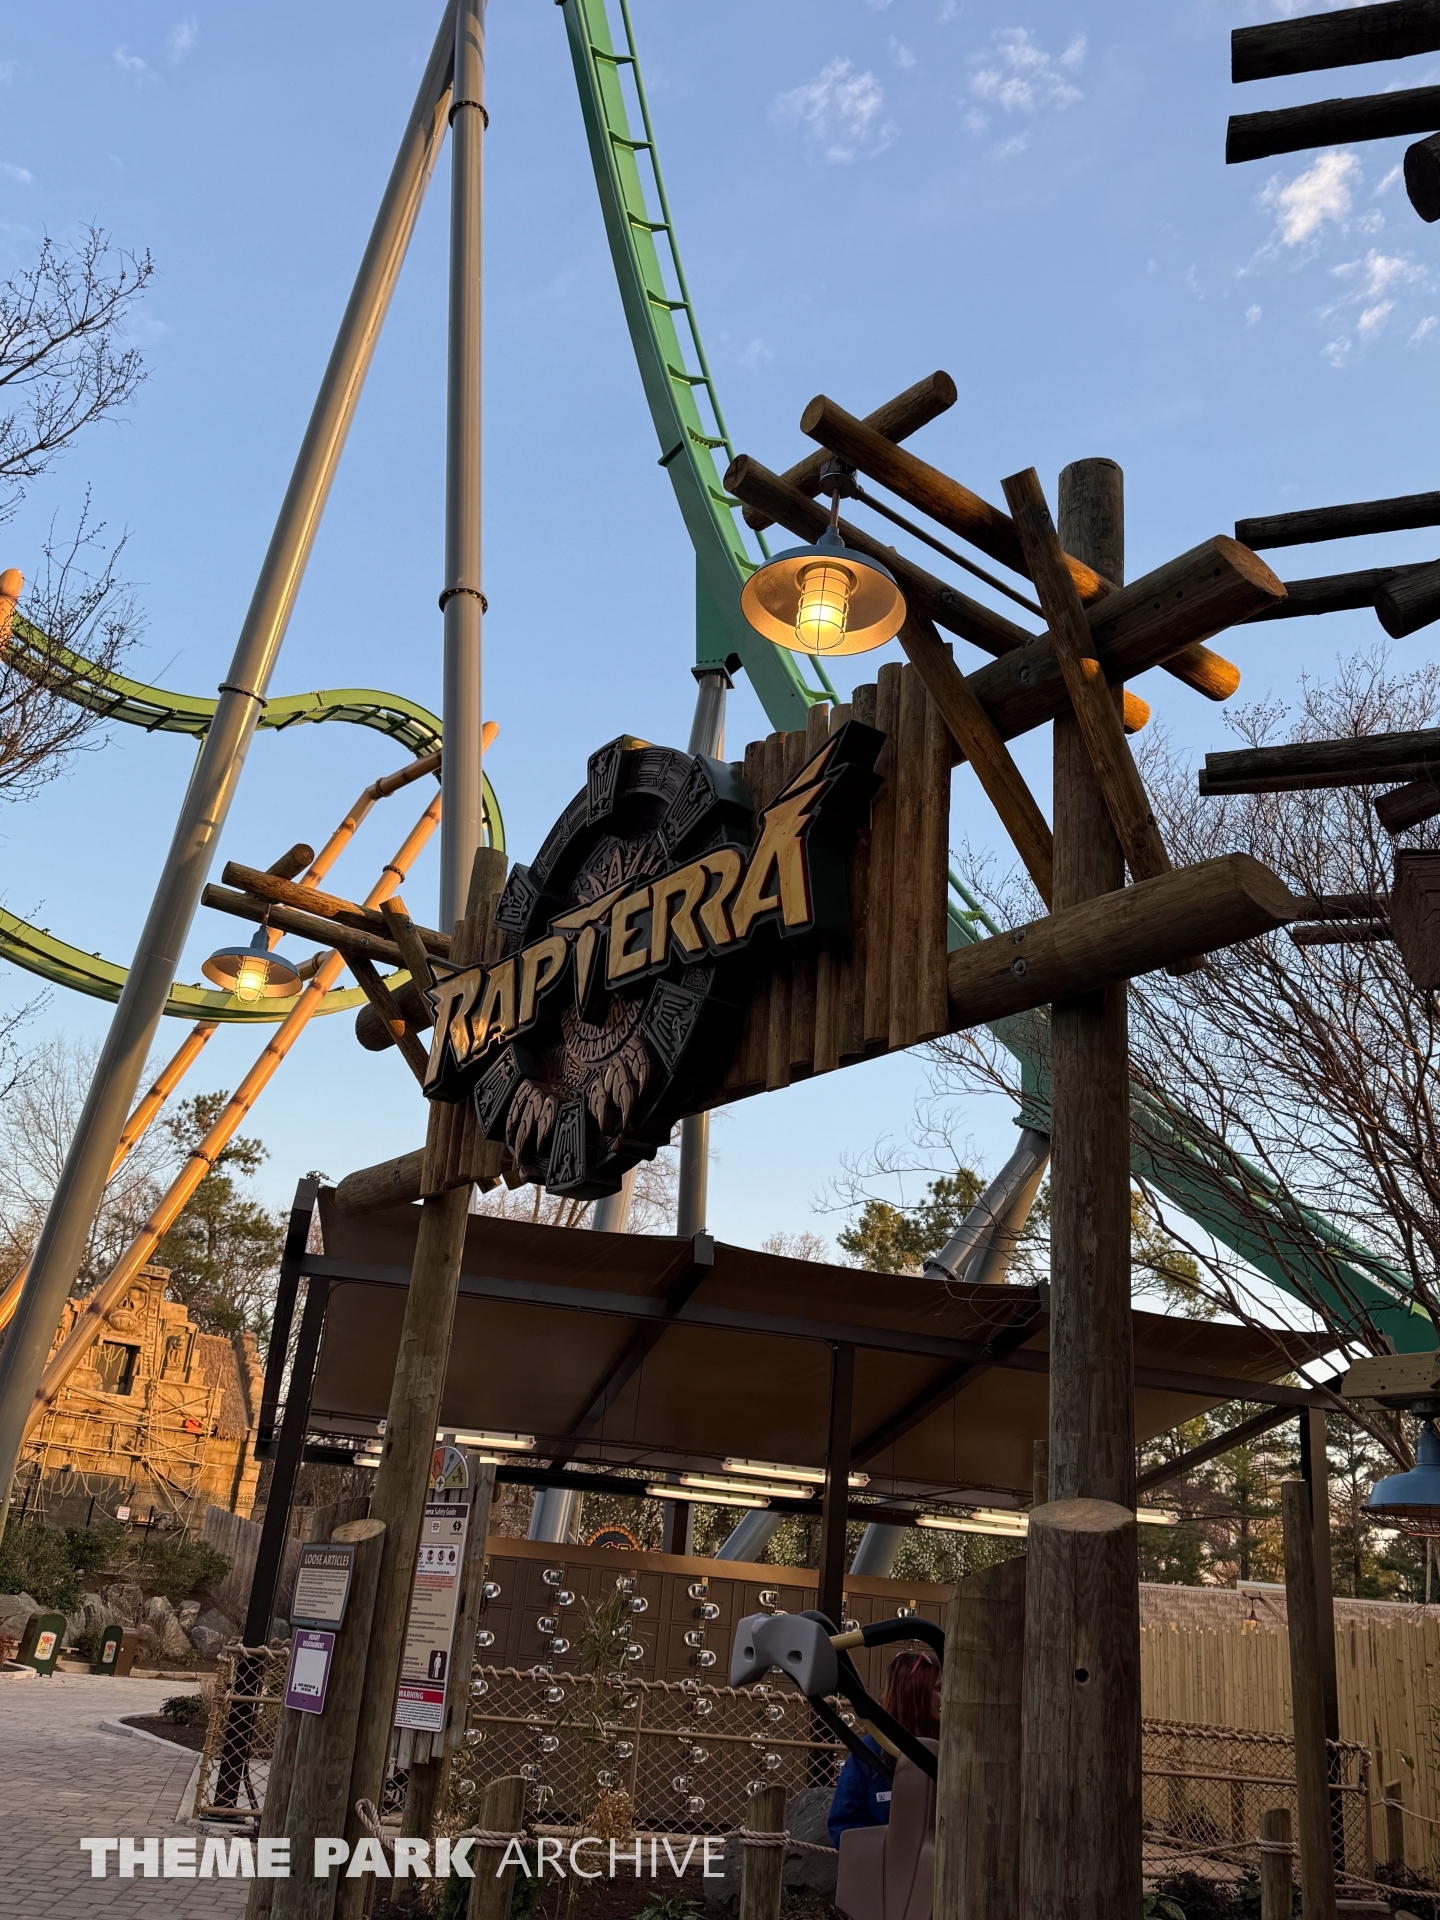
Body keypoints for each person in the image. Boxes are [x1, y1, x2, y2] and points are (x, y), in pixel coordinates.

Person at [827, 1649, 941, 1848]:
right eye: (938, 1688)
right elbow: (844, 1825)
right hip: (887, 1861)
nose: (945, 1697)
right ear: (914, 1692)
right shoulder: (871, 1751)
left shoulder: (952, 1747)